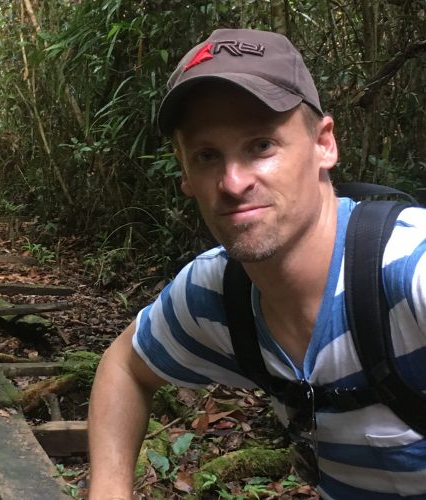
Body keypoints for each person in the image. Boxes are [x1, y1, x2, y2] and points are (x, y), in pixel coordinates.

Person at [87, 28, 426, 499]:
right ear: (184, 172)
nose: (232, 181)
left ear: (324, 144)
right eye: (208, 156)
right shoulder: (217, 291)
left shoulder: (410, 271)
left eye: (261, 145)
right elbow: (124, 366)